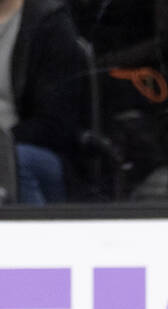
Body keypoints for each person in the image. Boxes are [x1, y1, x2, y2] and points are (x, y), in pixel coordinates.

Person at [1, 0, 86, 204]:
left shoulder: (49, 23)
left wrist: (3, 144)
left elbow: (55, 125)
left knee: (16, 161)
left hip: (32, 150)